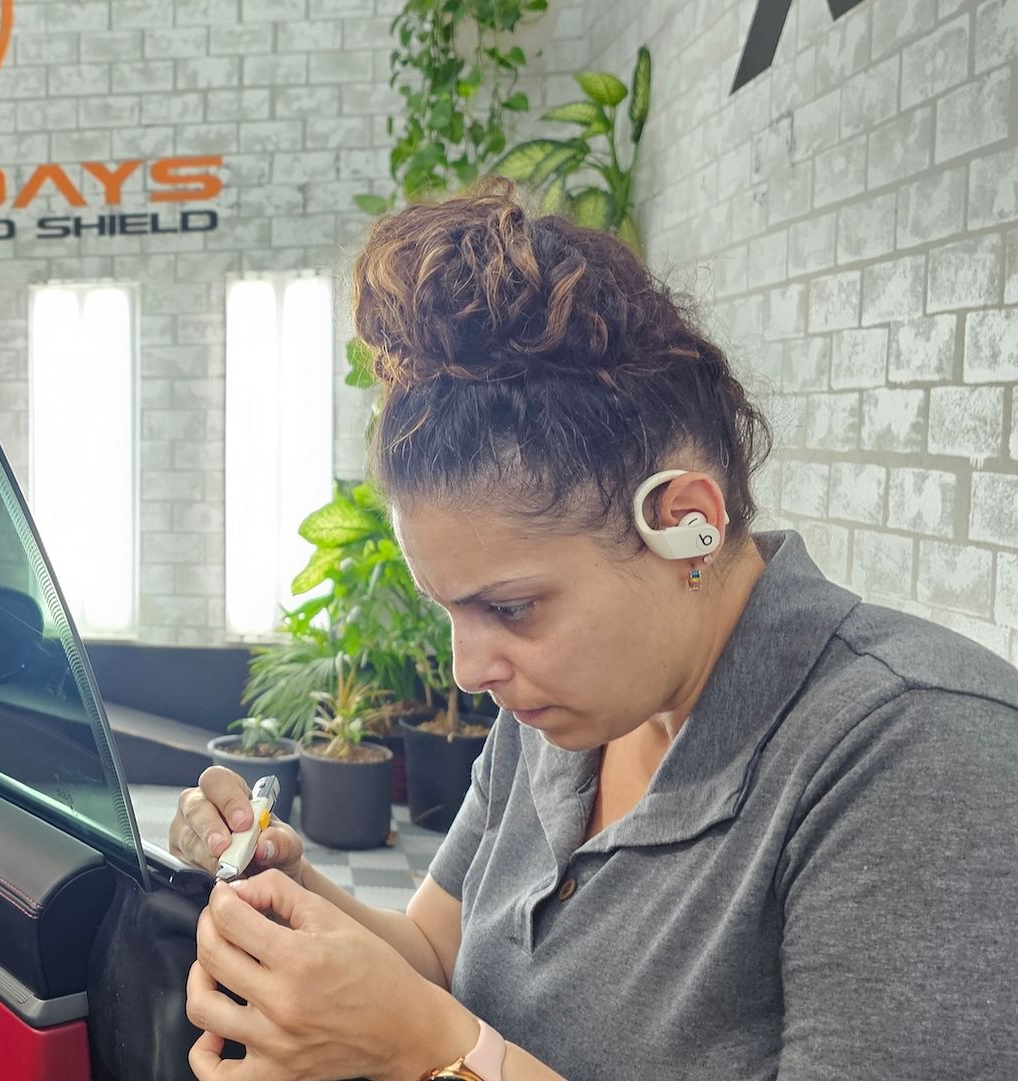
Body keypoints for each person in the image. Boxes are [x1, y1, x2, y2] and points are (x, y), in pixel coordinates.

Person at [168, 178, 1018, 1081]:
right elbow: (435, 955)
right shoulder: (558, 720)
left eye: (510, 607)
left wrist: (434, 1054)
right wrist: (286, 891)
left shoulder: (921, 755)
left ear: (687, 523)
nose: (468, 670)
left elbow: (430, 1024)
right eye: (449, 609)